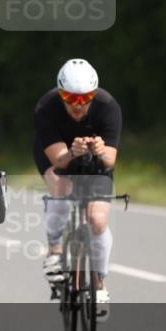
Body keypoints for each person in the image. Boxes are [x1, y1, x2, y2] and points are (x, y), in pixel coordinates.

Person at [33, 59, 121, 315]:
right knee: (61, 187)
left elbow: (110, 160)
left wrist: (101, 150)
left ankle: (100, 283)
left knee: (97, 220)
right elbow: (59, 161)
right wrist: (72, 151)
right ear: (61, 94)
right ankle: (55, 250)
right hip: (57, 154)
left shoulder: (107, 106)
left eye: (86, 98)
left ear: (94, 95)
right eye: (71, 98)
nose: (78, 105)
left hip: (96, 163)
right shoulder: (46, 107)